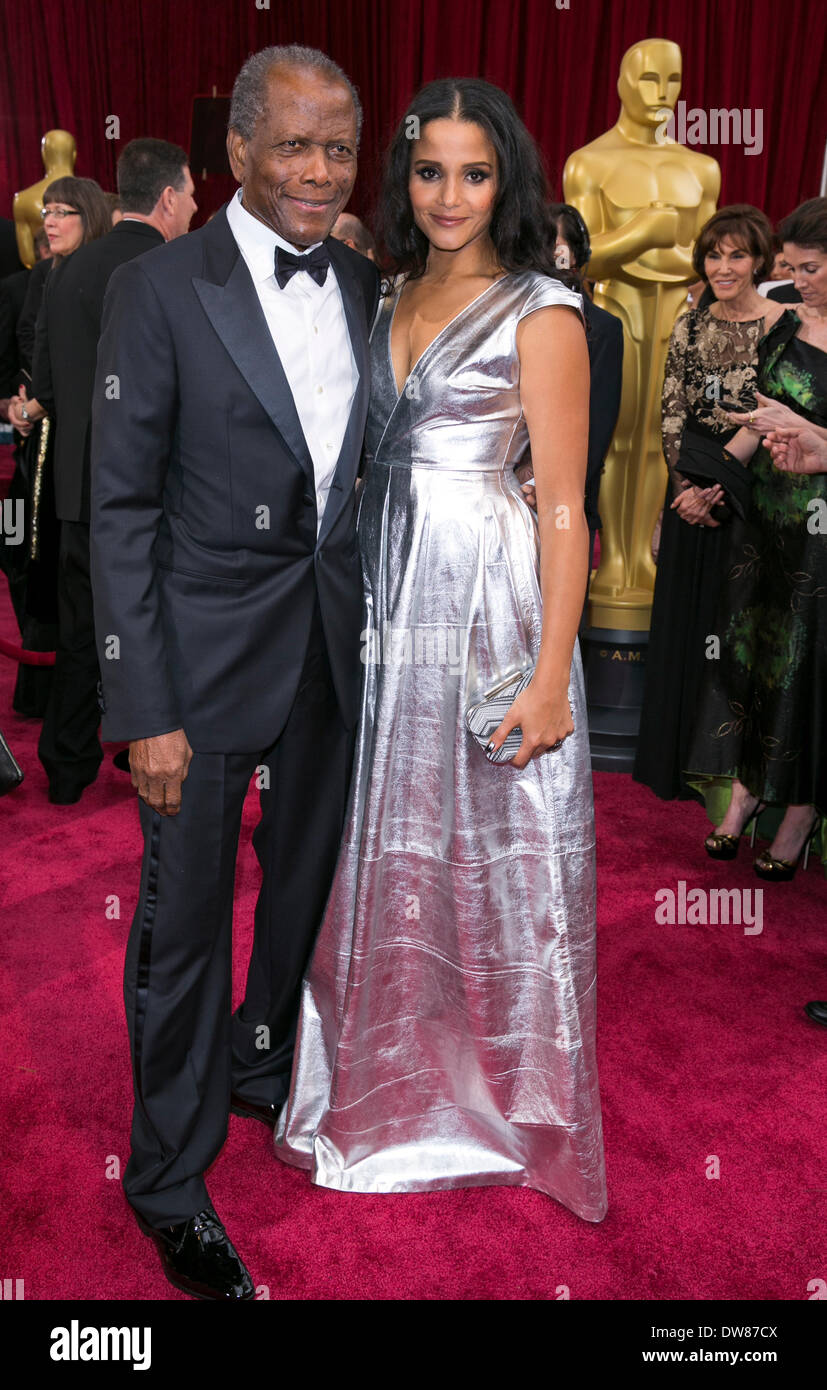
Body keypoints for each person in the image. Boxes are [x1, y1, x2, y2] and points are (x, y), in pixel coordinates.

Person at [275, 78, 607, 1224]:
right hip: (388, 578)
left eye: (474, 173)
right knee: (398, 832)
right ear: (402, 179)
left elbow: (563, 504)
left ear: (506, 178)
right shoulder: (385, 292)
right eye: (428, 171)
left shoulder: (541, 308)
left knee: (503, 840)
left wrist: (554, 671)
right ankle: (387, 1077)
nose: (450, 194)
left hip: (489, 592)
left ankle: (513, 1097)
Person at [89, 45, 379, 1299]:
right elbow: (117, 509)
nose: (319, 170)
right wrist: (142, 706)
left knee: (301, 900)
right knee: (183, 928)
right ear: (238, 153)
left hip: (329, 655)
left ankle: (261, 1071)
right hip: (195, 670)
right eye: (296, 145)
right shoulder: (159, 289)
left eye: (339, 148)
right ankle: (166, 1173)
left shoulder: (374, 286)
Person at [9, 140, 196, 804]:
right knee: (161, 625)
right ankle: (154, 745)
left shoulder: (66, 272)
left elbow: (49, 388)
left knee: (83, 627)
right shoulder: (177, 269)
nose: (195, 209)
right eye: (192, 197)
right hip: (159, 490)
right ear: (170, 198)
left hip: (77, 488)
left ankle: (66, 763)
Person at [687, 198, 827, 878]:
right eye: (790, 267)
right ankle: (743, 797)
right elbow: (759, 417)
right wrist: (716, 479)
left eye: (809, 268)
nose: (794, 280)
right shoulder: (787, 321)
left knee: (802, 667)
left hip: (819, 534)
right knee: (751, 656)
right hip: (762, 520)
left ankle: (797, 815)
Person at [633, 206, 786, 801]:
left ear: (759, 262)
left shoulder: (784, 326)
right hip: (689, 485)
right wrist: (680, 491)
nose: (723, 267)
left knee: (734, 627)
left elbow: (776, 414)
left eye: (737, 255)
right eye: (713, 255)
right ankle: (674, 766)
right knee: (684, 624)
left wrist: (719, 484)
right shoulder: (691, 323)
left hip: (754, 491)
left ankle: (727, 772)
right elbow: (670, 415)